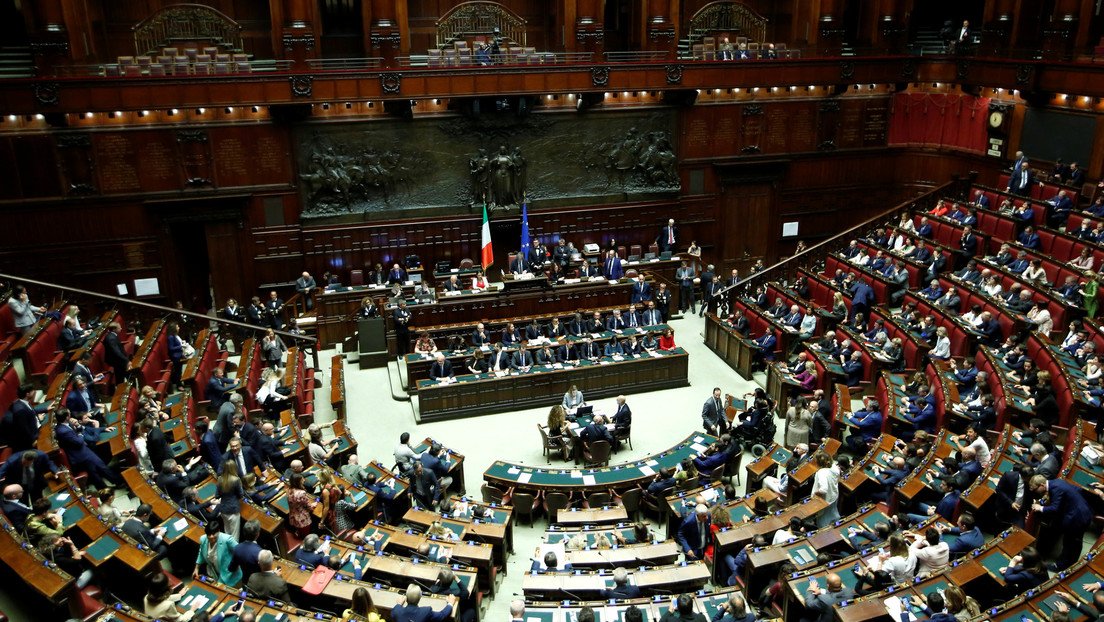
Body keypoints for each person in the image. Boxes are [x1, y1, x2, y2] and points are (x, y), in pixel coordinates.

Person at [1030, 474, 1092, 569]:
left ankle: (1062, 566)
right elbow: (1077, 490)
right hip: (1082, 512)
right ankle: (1071, 563)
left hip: (1077, 518)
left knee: (1070, 542)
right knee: (1075, 542)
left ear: (1042, 485)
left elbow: (1055, 508)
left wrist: (1040, 507)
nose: (1035, 492)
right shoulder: (1056, 482)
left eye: (1035, 489)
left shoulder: (1055, 488)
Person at [390, 584, 456, 622]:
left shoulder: (396, 610)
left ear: (406, 598)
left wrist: (399, 604)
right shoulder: (426, 611)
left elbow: (394, 614)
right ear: (420, 598)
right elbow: (442, 615)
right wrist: (450, 603)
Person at [811, 451, 840, 527]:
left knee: (822, 519)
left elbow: (823, 490)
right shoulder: (835, 468)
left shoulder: (822, 473)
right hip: (834, 495)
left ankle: (823, 531)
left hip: (824, 500)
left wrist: (815, 494)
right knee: (833, 513)